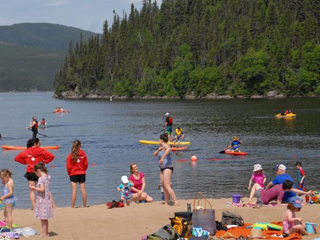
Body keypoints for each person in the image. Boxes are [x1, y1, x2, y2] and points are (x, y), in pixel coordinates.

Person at [14, 138, 55, 210]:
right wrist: (44, 162)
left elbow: (17, 158)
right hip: (40, 172)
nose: (40, 144)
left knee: (32, 190)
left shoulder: (26, 152)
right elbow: (51, 156)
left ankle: (34, 206)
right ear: (35, 144)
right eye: (39, 143)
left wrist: (25, 162)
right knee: (46, 189)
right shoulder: (42, 150)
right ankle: (53, 206)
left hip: (30, 172)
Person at [153, 133, 179, 206]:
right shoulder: (161, 147)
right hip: (162, 168)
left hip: (168, 167)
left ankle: (176, 201)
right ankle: (166, 202)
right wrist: (158, 150)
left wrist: (162, 157)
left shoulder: (165, 145)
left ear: (161, 140)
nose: (158, 141)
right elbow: (154, 154)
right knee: (163, 186)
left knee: (167, 185)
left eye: (159, 139)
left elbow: (168, 149)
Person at [30, 163, 53, 237]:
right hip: (47, 199)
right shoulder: (47, 176)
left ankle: (44, 233)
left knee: (42, 218)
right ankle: (45, 232)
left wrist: (34, 188)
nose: (36, 175)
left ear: (38, 171)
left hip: (42, 200)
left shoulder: (41, 179)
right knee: (45, 218)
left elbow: (42, 189)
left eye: (36, 173)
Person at [66, 140, 88, 208]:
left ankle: (72, 206)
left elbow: (68, 166)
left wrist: (69, 173)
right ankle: (84, 205)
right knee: (83, 190)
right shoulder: (83, 154)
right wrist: (84, 169)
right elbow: (86, 164)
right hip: (81, 173)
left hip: (73, 173)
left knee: (74, 191)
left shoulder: (70, 155)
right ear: (80, 145)